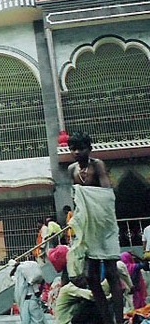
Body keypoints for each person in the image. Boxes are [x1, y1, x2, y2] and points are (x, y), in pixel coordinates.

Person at [67, 131, 123, 324]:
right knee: (91, 276)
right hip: (87, 227)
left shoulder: (97, 165)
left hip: (104, 224)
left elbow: (106, 195)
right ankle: (107, 320)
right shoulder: (71, 169)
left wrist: (91, 201)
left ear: (89, 149)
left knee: (112, 273)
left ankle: (119, 320)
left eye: (81, 148)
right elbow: (76, 199)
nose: (76, 152)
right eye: (73, 149)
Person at [8, 259, 45, 324]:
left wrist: (16, 267)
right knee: (38, 320)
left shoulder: (20, 279)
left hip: (26, 302)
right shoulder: (33, 281)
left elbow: (11, 275)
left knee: (27, 320)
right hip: (34, 301)